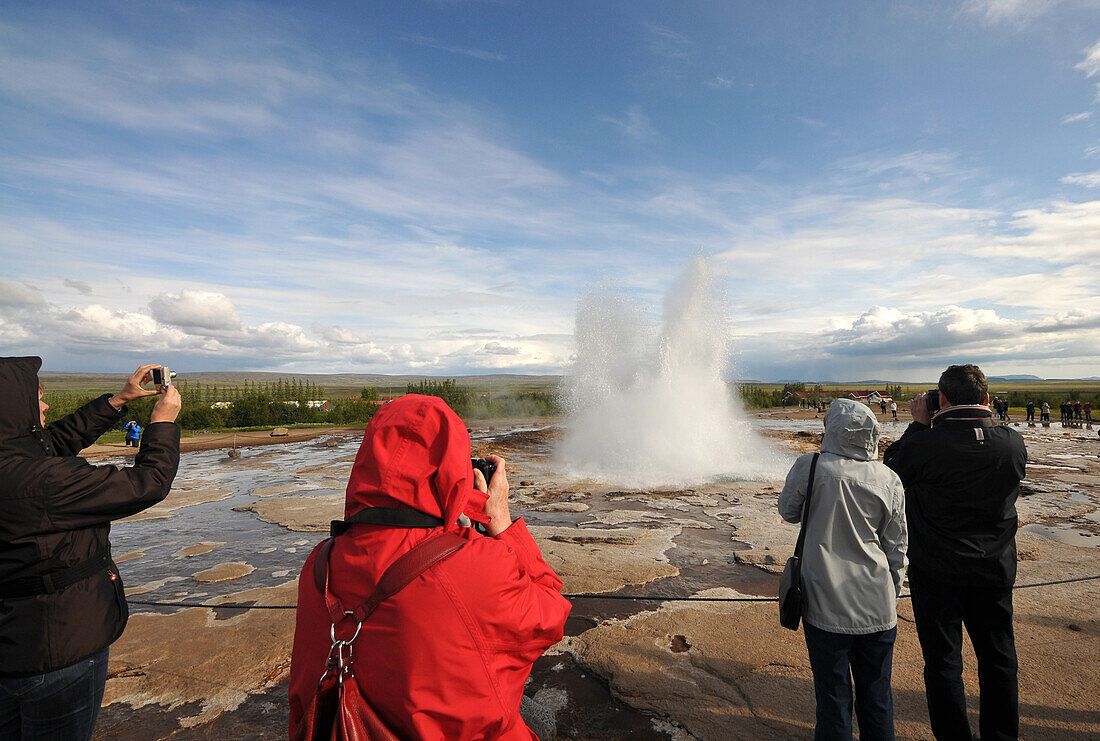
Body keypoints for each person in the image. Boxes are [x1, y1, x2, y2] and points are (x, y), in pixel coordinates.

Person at [289, 394, 571, 740]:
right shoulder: (474, 565)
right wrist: (501, 523)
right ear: (450, 469)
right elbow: (551, 613)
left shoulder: (319, 565)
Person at [0, 358, 181, 741]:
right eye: (38, 399)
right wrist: (162, 424)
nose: (46, 408)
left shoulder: (18, 462)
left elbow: (55, 442)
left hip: (13, 642)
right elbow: (148, 482)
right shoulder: (42, 481)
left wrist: (119, 401)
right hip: (57, 649)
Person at [884, 364, 1026, 741]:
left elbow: (891, 473)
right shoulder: (1012, 442)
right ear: (987, 399)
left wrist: (917, 424)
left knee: (944, 663)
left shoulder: (925, 443)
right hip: (994, 570)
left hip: (936, 573)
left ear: (941, 399)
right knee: (999, 661)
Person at [778, 399, 907, 741]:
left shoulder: (811, 466)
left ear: (831, 430)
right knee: (877, 700)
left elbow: (788, 512)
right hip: (877, 608)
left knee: (833, 700)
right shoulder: (888, 478)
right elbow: (897, 548)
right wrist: (890, 593)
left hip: (824, 605)